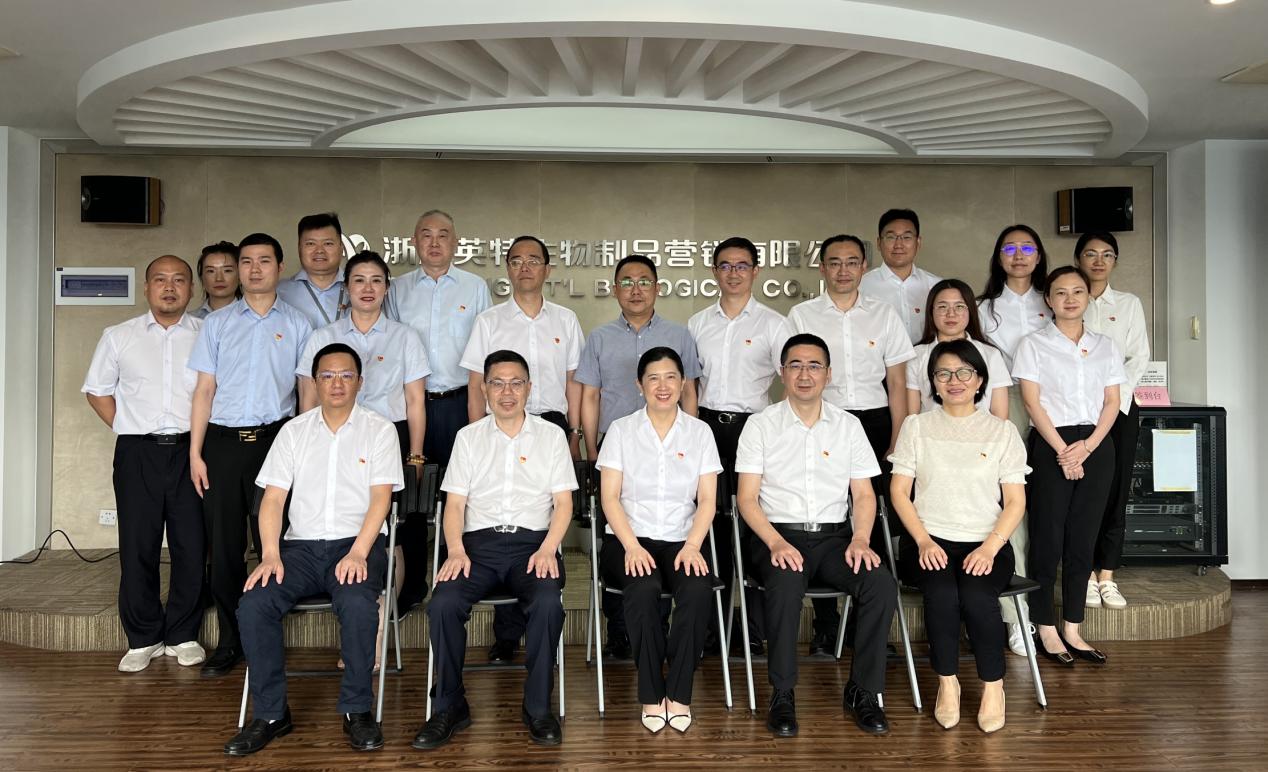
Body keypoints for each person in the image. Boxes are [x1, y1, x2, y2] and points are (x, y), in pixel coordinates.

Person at [225, 343, 404, 755]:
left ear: (360, 381)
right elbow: (273, 499)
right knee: (254, 604)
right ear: (315, 382)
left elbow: (381, 500)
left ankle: (357, 710)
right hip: (299, 550)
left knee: (358, 604)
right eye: (327, 375)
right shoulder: (294, 431)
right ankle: (271, 714)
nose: (336, 383)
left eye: (345, 375)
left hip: (355, 544)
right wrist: (270, 554)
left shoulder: (380, 430)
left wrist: (359, 552)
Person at [736, 333, 897, 738]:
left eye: (814, 366)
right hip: (777, 536)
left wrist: (861, 539)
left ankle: (864, 691)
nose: (804, 374)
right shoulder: (761, 425)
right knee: (786, 581)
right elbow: (747, 499)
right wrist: (775, 542)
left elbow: (864, 495)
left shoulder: (848, 426)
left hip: (836, 540)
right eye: (795, 365)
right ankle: (783, 693)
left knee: (880, 584)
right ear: (782, 373)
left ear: (828, 374)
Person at [414, 350, 575, 750]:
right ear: (484, 389)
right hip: (477, 548)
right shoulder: (468, 438)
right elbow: (454, 505)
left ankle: (538, 707)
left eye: (516, 383)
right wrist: (455, 550)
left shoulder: (551, 436)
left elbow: (564, 504)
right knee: (443, 604)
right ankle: (449, 706)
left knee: (547, 603)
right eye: (497, 383)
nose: (507, 392)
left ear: (529, 388)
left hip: (533, 545)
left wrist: (548, 549)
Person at [188, 232, 313, 678]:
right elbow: (204, 390)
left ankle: (264, 633)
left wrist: (304, 451)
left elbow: (306, 393)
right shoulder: (217, 324)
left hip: (275, 442)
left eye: (264, 261)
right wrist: (195, 452)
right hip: (221, 445)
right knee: (224, 548)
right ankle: (230, 640)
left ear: (280, 267)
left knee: (270, 543)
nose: (254, 269)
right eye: (246, 261)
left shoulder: (298, 324)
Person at [889, 339, 1028, 734]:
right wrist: (923, 540)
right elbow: (899, 492)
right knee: (942, 594)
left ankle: (993, 687)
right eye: (944, 373)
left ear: (980, 380)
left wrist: (990, 547)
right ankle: (947, 683)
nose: (954, 380)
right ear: (933, 382)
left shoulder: (1002, 431)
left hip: (987, 543)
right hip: (928, 541)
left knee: (978, 596)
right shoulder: (917, 426)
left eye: (964, 372)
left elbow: (1015, 502)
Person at [297, 250, 430, 658]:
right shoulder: (323, 337)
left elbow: (415, 400)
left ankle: (377, 631)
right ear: (347, 288)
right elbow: (308, 399)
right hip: (334, 439)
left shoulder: (405, 337)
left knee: (392, 535)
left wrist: (416, 454)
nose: (367, 288)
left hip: (390, 437)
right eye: (359, 280)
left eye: (376, 280)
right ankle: (356, 626)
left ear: (387, 288)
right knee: (347, 526)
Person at [459, 235, 584, 665]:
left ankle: (541, 621)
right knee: (502, 514)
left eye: (534, 260)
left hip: (551, 427)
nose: (525, 267)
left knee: (539, 522)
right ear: (508, 268)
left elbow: (574, 382)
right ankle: (508, 636)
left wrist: (574, 433)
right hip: (498, 424)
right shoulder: (489, 320)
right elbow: (477, 384)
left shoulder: (566, 319)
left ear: (548, 269)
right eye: (516, 261)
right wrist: (478, 432)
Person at [83, 255, 207, 673]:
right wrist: (128, 426)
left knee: (192, 544)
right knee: (138, 544)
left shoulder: (207, 334)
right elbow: (97, 391)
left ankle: (184, 634)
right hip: (137, 452)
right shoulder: (119, 336)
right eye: (160, 280)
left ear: (191, 289)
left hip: (194, 451)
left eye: (179, 280)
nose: (169, 287)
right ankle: (143, 637)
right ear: (147, 287)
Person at [789, 234, 913, 649]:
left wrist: (897, 438)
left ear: (864, 267)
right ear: (822, 268)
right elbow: (792, 377)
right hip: (821, 420)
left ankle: (866, 628)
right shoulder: (802, 314)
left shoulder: (884, 314)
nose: (843, 270)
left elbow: (897, 383)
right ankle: (826, 626)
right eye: (835, 262)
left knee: (869, 519)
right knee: (823, 517)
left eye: (852, 262)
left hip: (875, 423)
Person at [577, 253, 702, 660]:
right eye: (627, 282)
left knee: (665, 531)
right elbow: (590, 395)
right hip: (616, 449)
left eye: (644, 281)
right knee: (618, 536)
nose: (636, 289)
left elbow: (689, 392)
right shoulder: (599, 337)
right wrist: (591, 448)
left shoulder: (679, 335)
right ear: (615, 289)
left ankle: (656, 631)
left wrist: (691, 440)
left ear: (657, 288)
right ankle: (619, 631)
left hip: (671, 446)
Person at [597, 347, 723, 733]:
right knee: (643, 588)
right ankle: (652, 694)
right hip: (628, 539)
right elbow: (609, 498)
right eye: (653, 378)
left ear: (683, 384)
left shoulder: (700, 433)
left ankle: (679, 693)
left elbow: (707, 500)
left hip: (683, 539)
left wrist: (693, 545)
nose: (663, 386)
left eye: (671, 377)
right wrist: (632, 546)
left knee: (698, 588)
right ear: (640, 385)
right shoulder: (621, 430)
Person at [1012, 266, 1124, 667]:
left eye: (1078, 291)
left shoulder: (1106, 345)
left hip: (1097, 444)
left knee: (1083, 538)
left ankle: (1073, 628)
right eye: (1061, 292)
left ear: (1088, 297)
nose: (1070, 299)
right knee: (1047, 538)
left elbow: (1112, 401)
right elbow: (1031, 402)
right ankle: (1045, 627)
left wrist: (1087, 448)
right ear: (1048, 300)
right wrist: (1064, 452)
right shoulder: (1033, 344)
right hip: (1050, 443)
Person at [688, 236, 792, 657]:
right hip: (707, 427)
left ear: (755, 271)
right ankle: (710, 626)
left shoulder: (774, 324)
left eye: (742, 265)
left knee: (753, 523)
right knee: (709, 522)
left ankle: (752, 629)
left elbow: (794, 379)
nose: (734, 273)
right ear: (715, 271)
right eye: (726, 266)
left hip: (756, 429)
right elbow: (690, 385)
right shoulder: (697, 323)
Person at [975, 224, 1051, 654]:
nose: (1019, 255)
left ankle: (1050, 609)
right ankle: (1017, 617)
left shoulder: (1055, 299)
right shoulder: (983, 308)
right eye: (1009, 248)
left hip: (1055, 408)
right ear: (998, 256)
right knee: (1009, 507)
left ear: (1039, 255)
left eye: (1027, 247)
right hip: (1003, 405)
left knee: (1048, 512)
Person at [1076, 231, 1150, 611]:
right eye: (1091, 254)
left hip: (1119, 409)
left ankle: (1106, 574)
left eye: (1107, 254)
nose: (1098, 261)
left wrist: (1114, 400)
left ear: (1115, 261)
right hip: (1076, 410)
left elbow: (1138, 357)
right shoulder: (1069, 298)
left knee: (1116, 490)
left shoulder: (1128, 303)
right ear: (1078, 259)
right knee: (1084, 490)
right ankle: (1084, 574)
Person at [385, 209, 492, 469]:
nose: (434, 243)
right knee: (410, 481)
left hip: (460, 403)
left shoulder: (475, 287)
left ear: (455, 242)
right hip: (408, 403)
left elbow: (487, 349)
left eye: (442, 236)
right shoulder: (397, 288)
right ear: (414, 241)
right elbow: (389, 345)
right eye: (426, 235)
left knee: (458, 478)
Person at [906, 279, 1010, 419]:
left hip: (982, 431)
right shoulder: (917, 355)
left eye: (959, 306)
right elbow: (912, 416)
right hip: (931, 431)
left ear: (970, 311)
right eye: (942, 307)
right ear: (931, 312)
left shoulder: (990, 354)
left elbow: (1000, 415)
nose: (951, 314)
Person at [859, 209, 943, 344]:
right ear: (879, 243)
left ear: (918, 242)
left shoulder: (936, 286)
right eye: (891, 237)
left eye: (907, 237)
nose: (898, 245)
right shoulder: (861, 286)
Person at [276, 212, 348, 329]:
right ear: (299, 248)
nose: (319, 250)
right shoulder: (279, 292)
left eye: (328, 243)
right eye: (310, 244)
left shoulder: (360, 289)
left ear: (341, 247)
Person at [190, 242, 241, 318]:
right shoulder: (190, 320)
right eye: (211, 271)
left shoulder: (254, 317)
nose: (219, 279)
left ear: (240, 276)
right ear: (202, 277)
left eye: (227, 270)